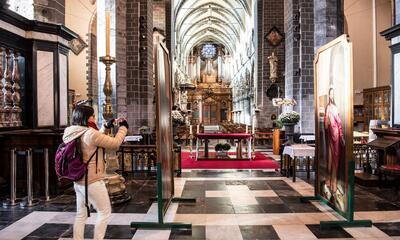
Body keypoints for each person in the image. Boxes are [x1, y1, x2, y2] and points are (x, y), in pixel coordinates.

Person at [62, 105, 128, 240]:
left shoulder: (71, 132)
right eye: (92, 116)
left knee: (81, 214)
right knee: (104, 212)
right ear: (86, 118)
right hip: (92, 181)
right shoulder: (90, 133)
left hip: (78, 180)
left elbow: (93, 140)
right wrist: (123, 128)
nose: (94, 118)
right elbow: (115, 143)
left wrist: (106, 126)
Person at [324, 87, 344, 196]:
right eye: (330, 94)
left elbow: (339, 124)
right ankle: (330, 181)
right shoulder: (328, 107)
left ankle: (334, 182)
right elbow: (326, 122)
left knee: (336, 158)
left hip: (336, 133)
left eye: (333, 94)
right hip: (330, 134)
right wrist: (326, 122)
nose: (332, 96)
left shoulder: (335, 108)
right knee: (331, 157)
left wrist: (341, 136)